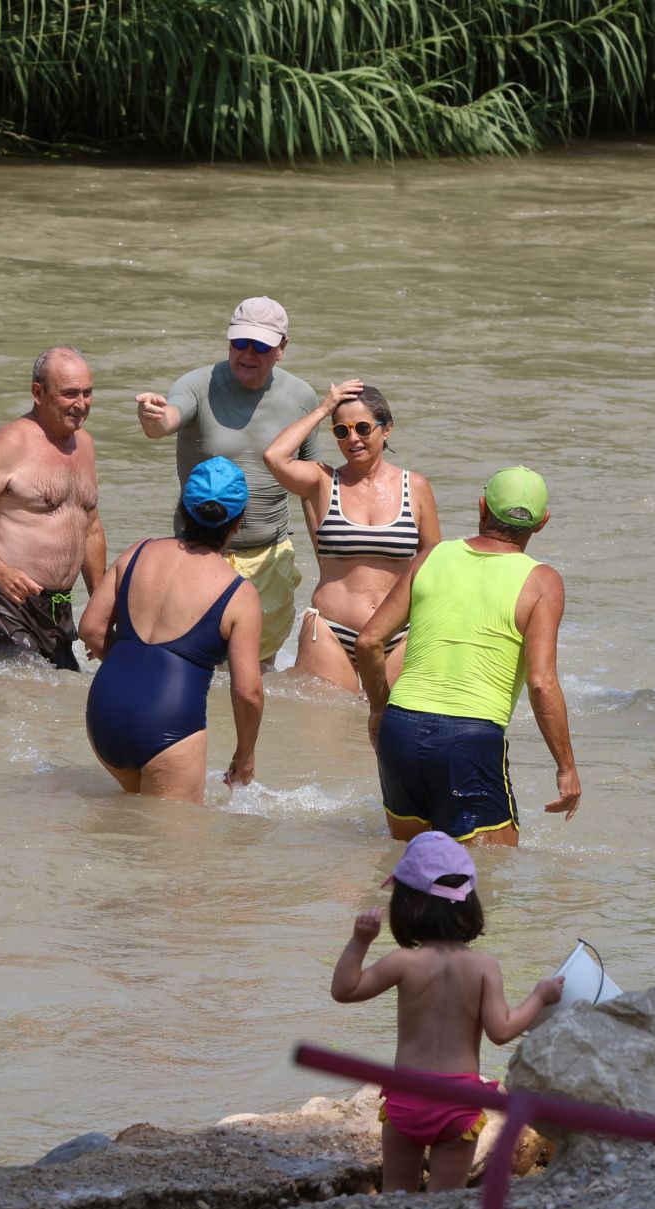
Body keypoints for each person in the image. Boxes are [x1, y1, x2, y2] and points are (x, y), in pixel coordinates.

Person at [356, 467, 580, 846]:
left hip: (400, 731)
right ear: (542, 523)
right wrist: (567, 767)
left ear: (481, 508)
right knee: (488, 882)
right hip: (470, 740)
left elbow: (368, 642)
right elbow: (541, 683)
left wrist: (380, 709)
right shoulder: (543, 581)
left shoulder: (432, 556)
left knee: (410, 868)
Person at [330, 832, 563, 1193]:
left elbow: (344, 991)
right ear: (469, 905)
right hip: (458, 1103)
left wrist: (360, 941)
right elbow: (501, 1031)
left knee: (397, 1192)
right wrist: (539, 997)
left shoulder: (403, 962)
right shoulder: (485, 967)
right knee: (446, 1202)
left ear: (409, 905)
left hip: (407, 1098)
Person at [134, 297, 319, 665]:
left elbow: (313, 488)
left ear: (282, 348)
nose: (248, 353)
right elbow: (166, 422)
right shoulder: (198, 385)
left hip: (269, 555)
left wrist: (327, 565)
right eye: (240, 342)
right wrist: (152, 417)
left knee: (255, 669)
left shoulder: (302, 398)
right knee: (190, 660)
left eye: (261, 346)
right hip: (198, 552)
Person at [80, 458, 264, 804]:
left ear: (183, 507)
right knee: (171, 855)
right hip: (170, 726)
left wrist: (121, 660)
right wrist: (246, 754)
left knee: (122, 835)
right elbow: (248, 691)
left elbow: (90, 628)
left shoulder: (139, 551)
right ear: (238, 523)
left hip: (104, 713)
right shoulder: (239, 594)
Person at [262, 378, 441, 690]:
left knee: (394, 732)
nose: (353, 439)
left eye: (362, 428)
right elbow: (274, 457)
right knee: (329, 734)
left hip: (399, 633)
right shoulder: (321, 480)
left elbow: (435, 563)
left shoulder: (415, 487)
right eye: (342, 431)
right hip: (331, 633)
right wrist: (322, 409)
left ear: (387, 429)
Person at [0, 347, 105, 670]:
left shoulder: (85, 444)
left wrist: (101, 608)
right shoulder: (12, 442)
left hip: (57, 608)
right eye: (69, 393)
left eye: (87, 393)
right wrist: (0, 572)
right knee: (23, 691)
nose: (81, 404)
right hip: (1, 598)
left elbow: (91, 527)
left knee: (61, 702)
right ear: (38, 393)